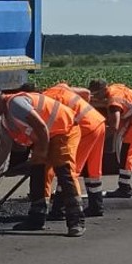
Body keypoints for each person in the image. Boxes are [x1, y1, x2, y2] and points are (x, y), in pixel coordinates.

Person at [0, 86, 85, 236]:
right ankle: (36, 218)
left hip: (64, 131)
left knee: (64, 171)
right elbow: (4, 147)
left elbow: (41, 126)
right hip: (46, 136)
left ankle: (76, 221)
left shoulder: (16, 104)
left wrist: (43, 152)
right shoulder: (5, 120)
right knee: (37, 172)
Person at [41, 80, 107, 220]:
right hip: (97, 121)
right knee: (94, 168)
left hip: (84, 128)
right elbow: (86, 92)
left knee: (70, 170)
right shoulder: (60, 88)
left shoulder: (46, 101)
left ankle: (62, 209)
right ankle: (96, 205)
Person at [87, 79, 132, 197]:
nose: (96, 97)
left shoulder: (114, 102)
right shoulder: (114, 89)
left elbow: (115, 125)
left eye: (96, 94)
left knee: (127, 153)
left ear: (104, 90)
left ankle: (124, 188)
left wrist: (102, 137)